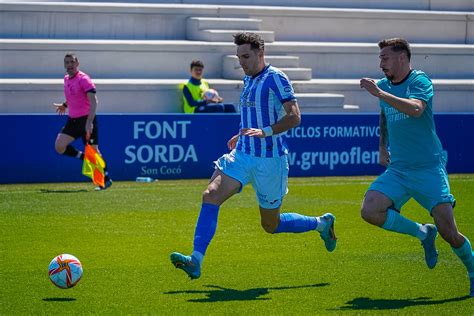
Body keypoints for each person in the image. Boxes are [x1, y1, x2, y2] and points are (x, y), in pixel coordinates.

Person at [170, 32, 337, 280]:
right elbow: (253, 116)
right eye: (239, 57)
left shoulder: (276, 78)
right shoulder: (248, 80)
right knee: (210, 195)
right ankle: (196, 260)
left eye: (246, 56)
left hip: (270, 161)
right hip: (243, 154)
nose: (242, 62)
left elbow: (295, 117)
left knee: (271, 225)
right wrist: (242, 135)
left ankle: (321, 223)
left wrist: (265, 132)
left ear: (261, 53)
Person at [360, 38, 473, 296]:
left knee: (450, 232)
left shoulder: (419, 81)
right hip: (399, 169)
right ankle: (423, 233)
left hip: (428, 168)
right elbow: (384, 115)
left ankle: (473, 271)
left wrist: (380, 93)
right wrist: (381, 146)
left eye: (385, 58)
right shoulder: (385, 86)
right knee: (370, 210)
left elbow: (416, 109)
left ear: (401, 58)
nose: (380, 64)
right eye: (380, 59)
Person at [53, 52, 112, 190]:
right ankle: (83, 156)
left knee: (94, 152)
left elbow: (94, 102)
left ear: (77, 63)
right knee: (59, 146)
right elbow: (74, 96)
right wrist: (65, 105)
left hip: (86, 119)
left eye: (72, 62)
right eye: (67, 63)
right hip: (72, 121)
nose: (69, 65)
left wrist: (89, 122)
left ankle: (105, 180)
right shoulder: (66, 79)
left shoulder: (84, 79)